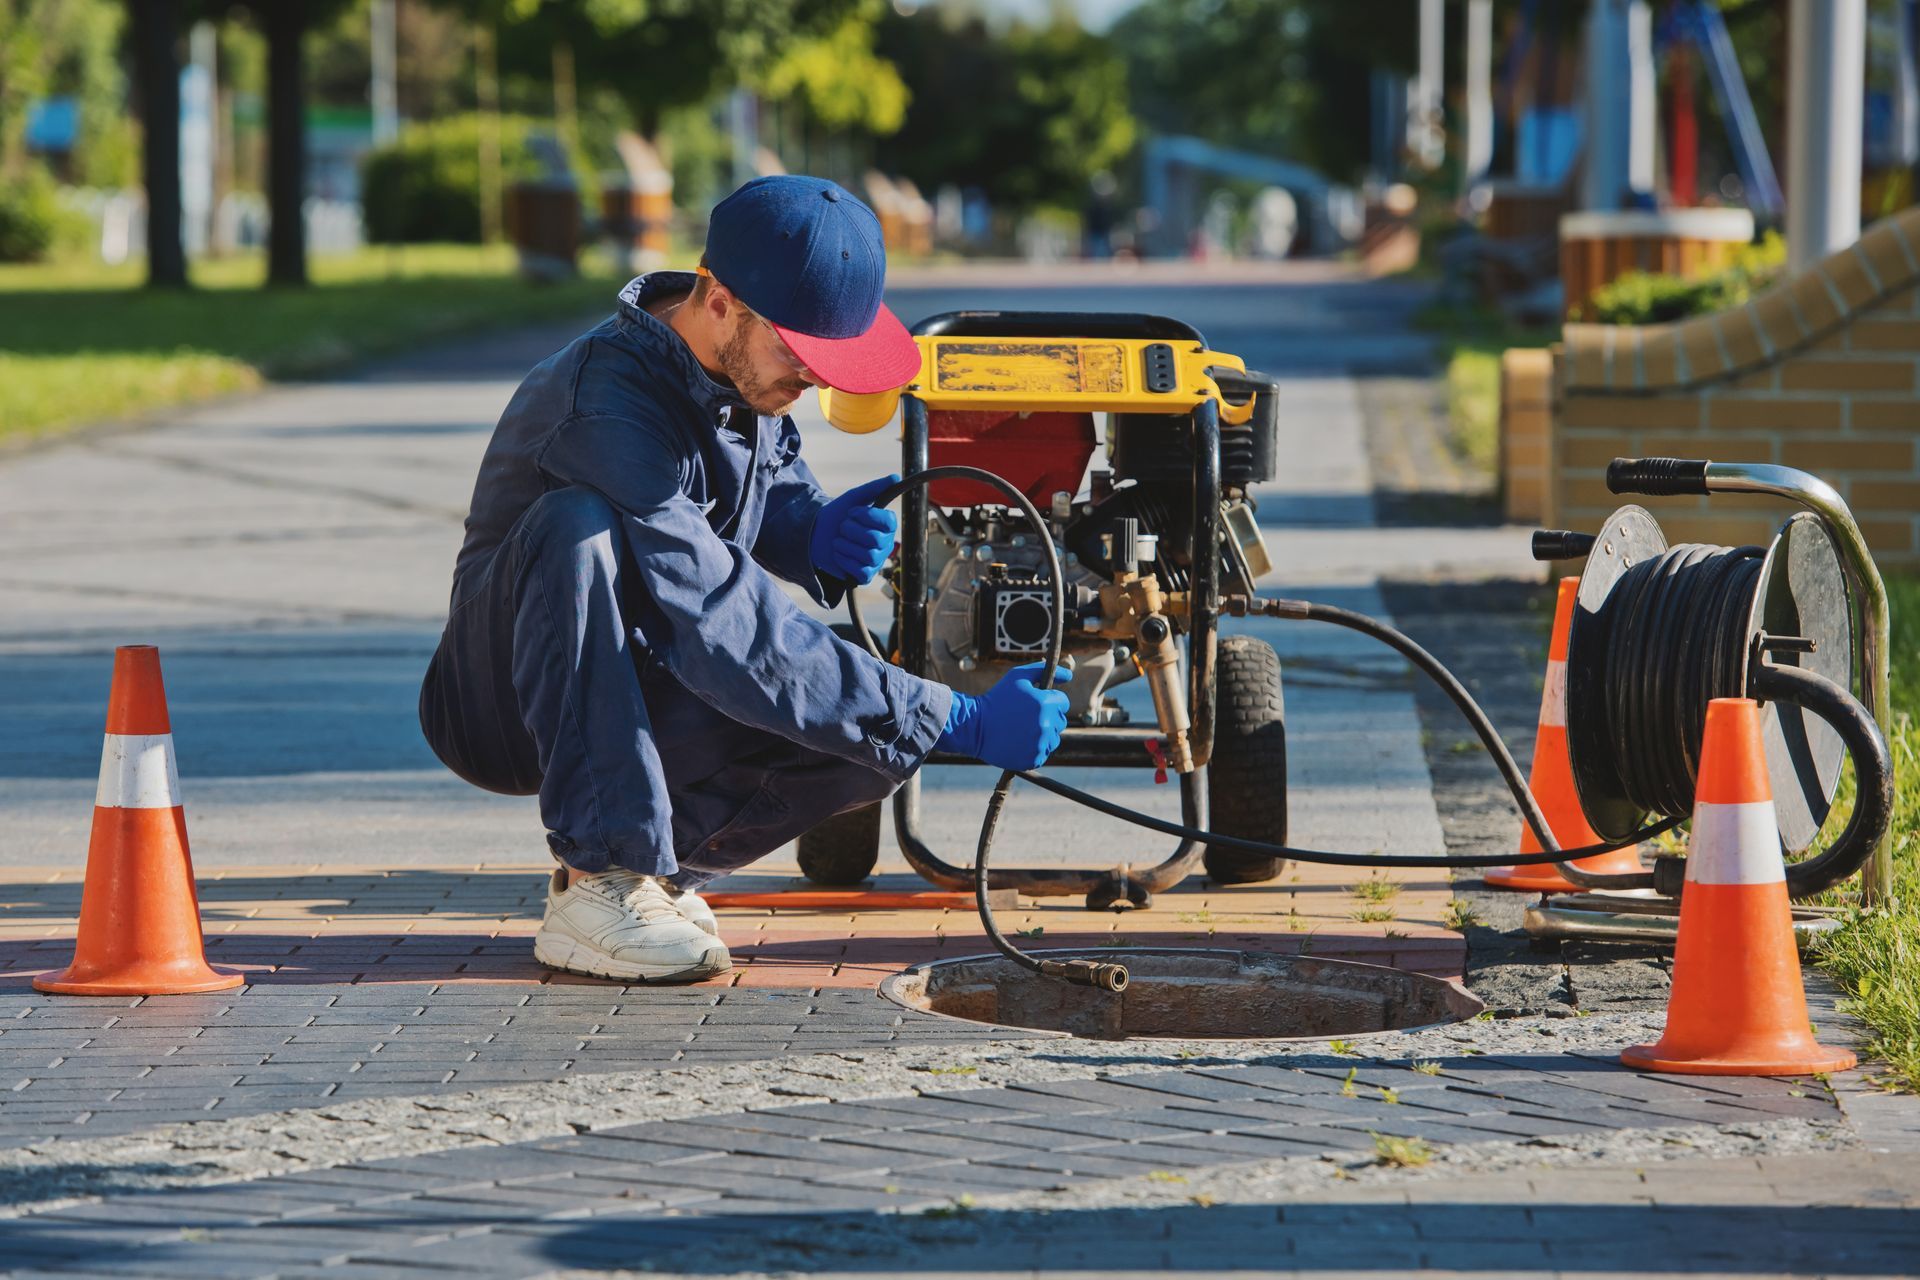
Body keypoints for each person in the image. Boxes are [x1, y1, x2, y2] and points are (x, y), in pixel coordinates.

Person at [418, 175, 1068, 983]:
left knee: (860, 733)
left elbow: (758, 492)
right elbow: (722, 621)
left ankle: (651, 877)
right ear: (720, 300)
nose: (819, 380)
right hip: (501, 704)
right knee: (577, 526)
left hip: (635, 675)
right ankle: (604, 875)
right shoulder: (601, 410)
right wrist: (953, 716)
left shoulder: (736, 374)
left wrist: (810, 531)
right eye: (802, 355)